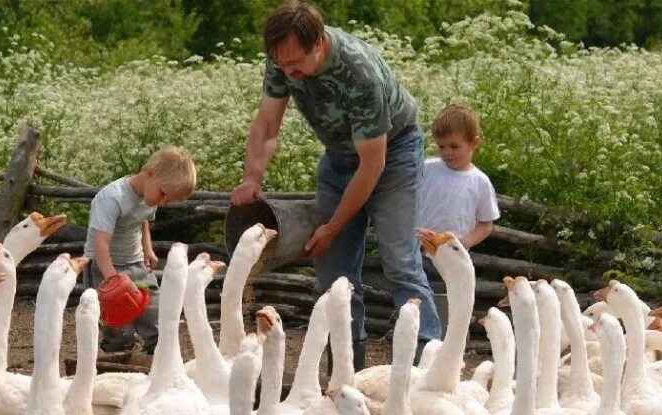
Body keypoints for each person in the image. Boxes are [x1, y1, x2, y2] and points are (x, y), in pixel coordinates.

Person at [231, 0, 441, 370]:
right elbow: (266, 124)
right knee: (333, 270)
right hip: (340, 155)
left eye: (296, 63)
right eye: (282, 64)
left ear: (318, 43)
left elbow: (372, 165)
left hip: (393, 155)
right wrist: (252, 177)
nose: (289, 72)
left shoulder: (359, 73)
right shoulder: (283, 56)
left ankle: (427, 368)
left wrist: (334, 225)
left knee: (400, 260)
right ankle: (345, 369)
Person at [83, 145, 197, 354]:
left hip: (136, 261)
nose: (163, 203)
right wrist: (112, 279)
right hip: (104, 265)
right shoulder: (112, 198)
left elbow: (143, 221)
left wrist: (147, 249)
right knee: (117, 320)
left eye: (169, 200)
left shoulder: (150, 197)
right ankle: (117, 356)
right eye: (164, 195)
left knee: (153, 309)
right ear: (150, 173)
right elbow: (100, 243)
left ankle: (159, 353)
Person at [420, 104, 499, 251]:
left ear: (474, 143)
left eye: (454, 146)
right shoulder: (427, 168)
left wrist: (462, 244)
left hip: (452, 256)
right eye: (441, 146)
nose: (446, 152)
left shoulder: (480, 182)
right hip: (417, 249)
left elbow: (486, 225)